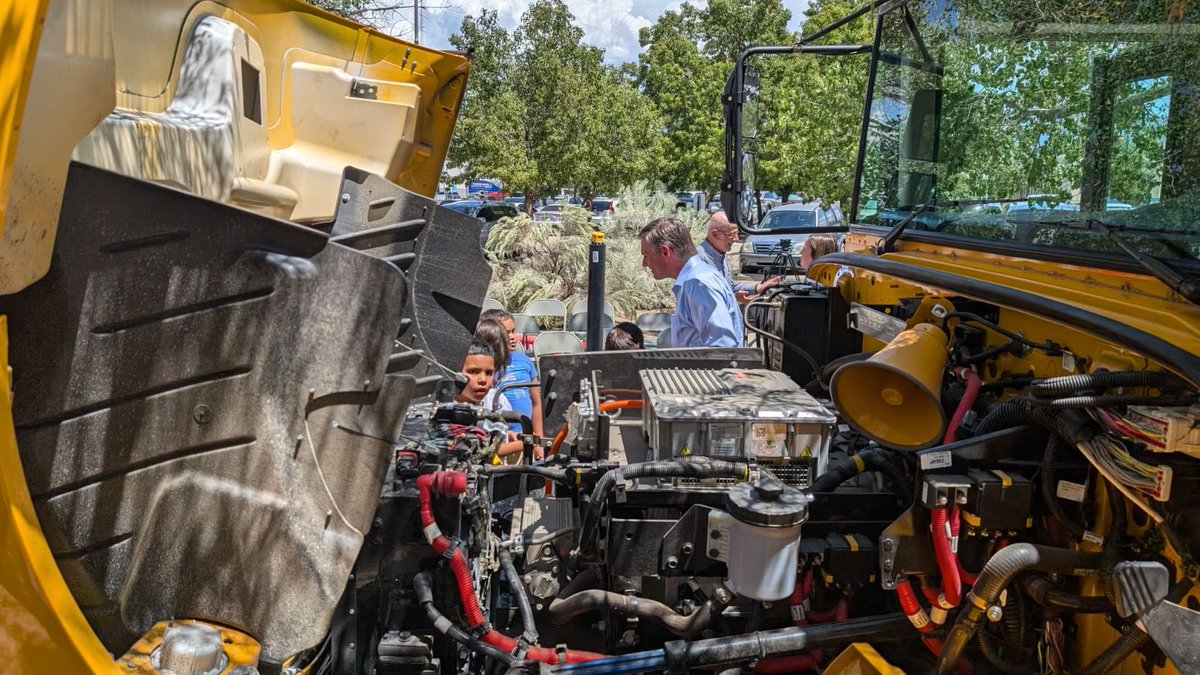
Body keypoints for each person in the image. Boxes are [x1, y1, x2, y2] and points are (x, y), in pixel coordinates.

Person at [639, 216, 743, 348]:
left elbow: (722, 348)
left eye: (646, 256)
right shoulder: (696, 279)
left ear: (665, 252)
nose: (644, 263)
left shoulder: (699, 282)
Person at [456, 339, 540, 463]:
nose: (483, 379)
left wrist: (508, 434)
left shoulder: (488, 401)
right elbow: (490, 449)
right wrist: (528, 442)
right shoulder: (449, 412)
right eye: (473, 372)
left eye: (489, 373)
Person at [479, 309, 543, 437]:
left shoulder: (524, 361)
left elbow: (536, 403)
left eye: (513, 331)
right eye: (506, 333)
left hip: (526, 436)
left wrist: (539, 439)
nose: (513, 337)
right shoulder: (485, 368)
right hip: (500, 438)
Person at [696, 210, 781, 303]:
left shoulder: (720, 254)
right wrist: (734, 298)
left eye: (737, 233)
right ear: (715, 234)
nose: (736, 239)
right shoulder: (699, 260)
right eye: (731, 234)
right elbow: (705, 296)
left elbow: (730, 285)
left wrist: (759, 288)